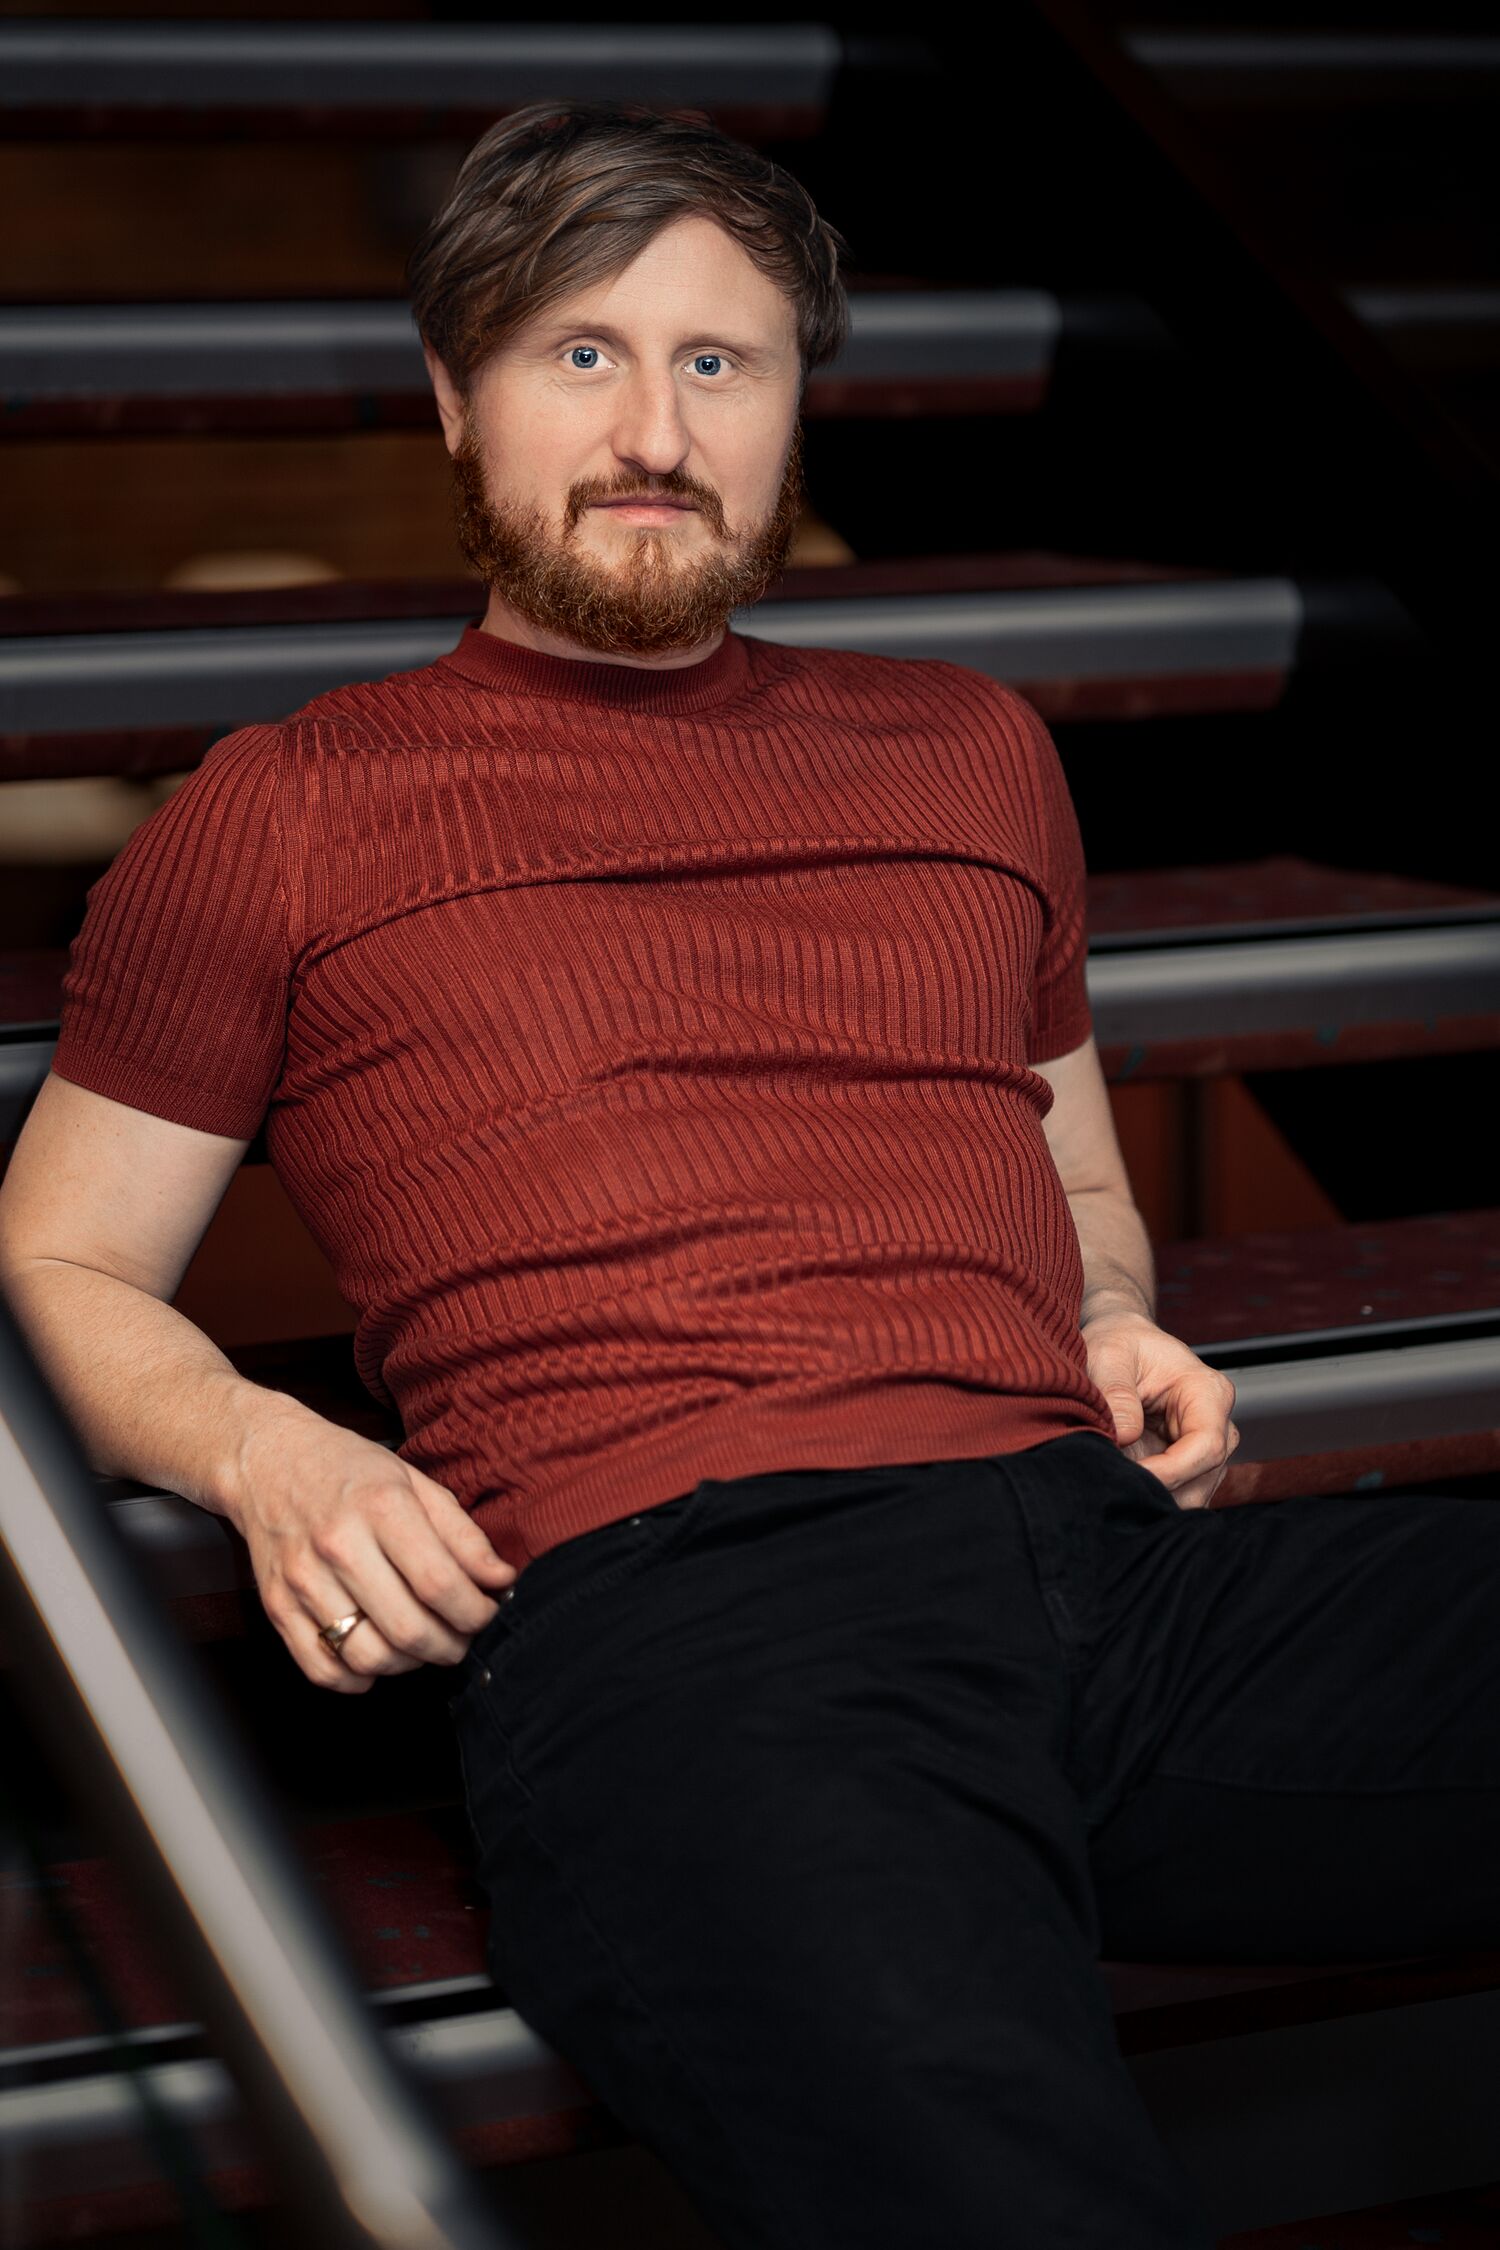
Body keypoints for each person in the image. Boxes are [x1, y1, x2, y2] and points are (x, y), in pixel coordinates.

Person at [1, 100, 1495, 2250]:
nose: (655, 431)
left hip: (1114, 1585)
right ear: (457, 401)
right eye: (580, 354)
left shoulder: (971, 750)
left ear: (796, 408)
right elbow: (55, 1262)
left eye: (721, 360)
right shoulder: (289, 809)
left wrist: (1102, 1313)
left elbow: (1079, 1185)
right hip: (699, 1645)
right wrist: (267, 1453)